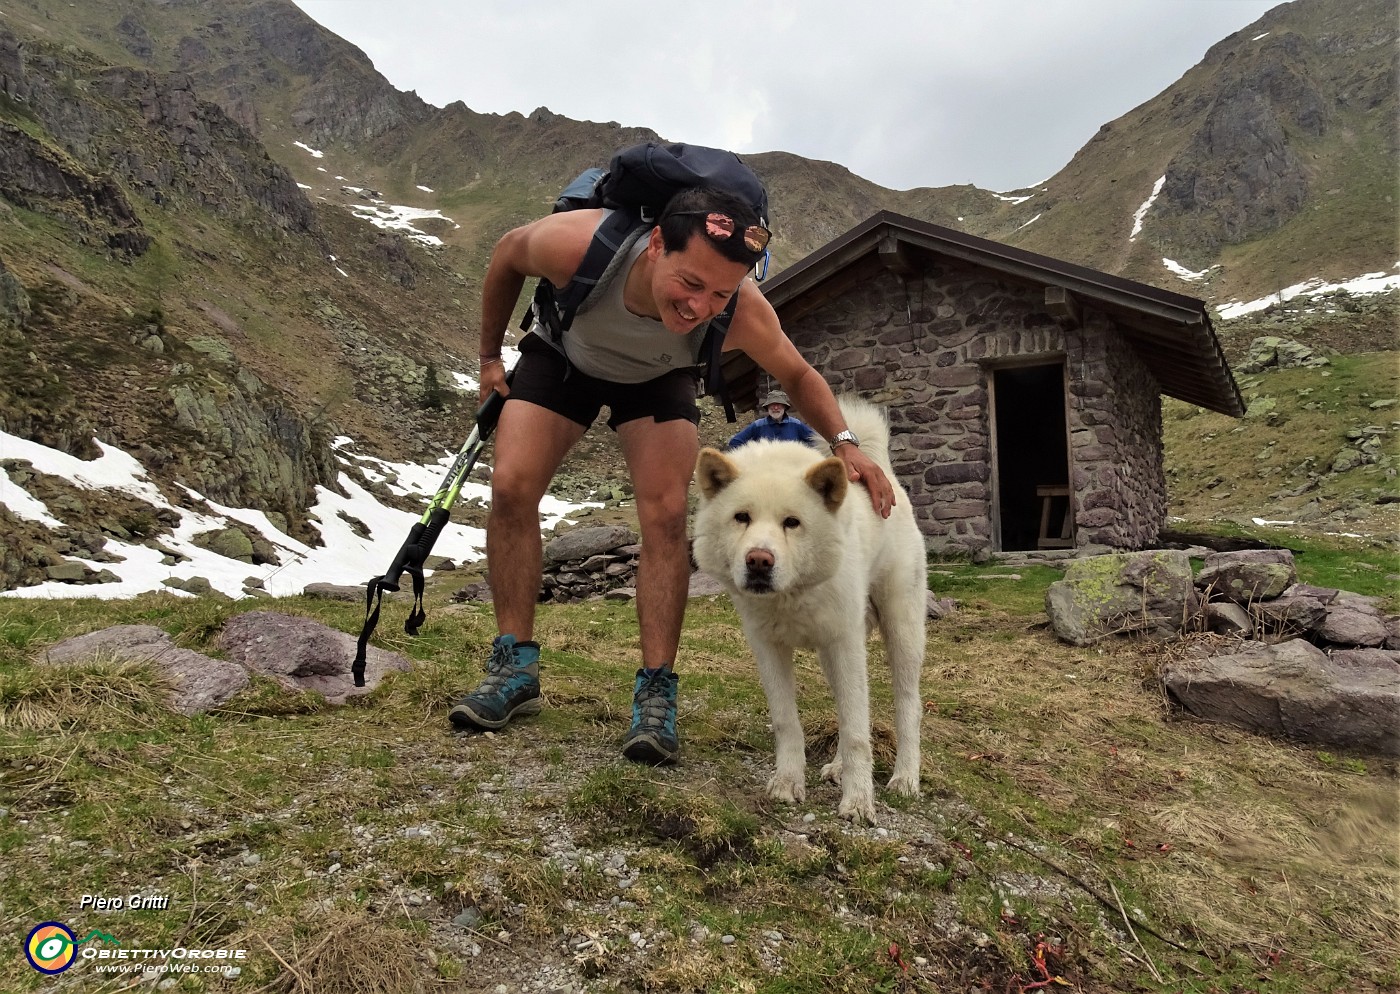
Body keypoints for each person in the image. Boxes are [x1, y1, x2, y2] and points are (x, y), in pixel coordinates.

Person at [449, 183, 897, 765]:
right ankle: (514, 666)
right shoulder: (579, 246)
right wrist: (489, 358)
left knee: (664, 515)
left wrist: (846, 443)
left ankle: (657, 691)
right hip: (564, 357)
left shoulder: (741, 308)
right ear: (657, 243)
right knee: (511, 487)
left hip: (659, 377)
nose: (699, 307)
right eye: (690, 283)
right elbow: (509, 252)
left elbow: (800, 375)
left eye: (719, 293)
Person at [726, 389, 818, 449]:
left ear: (785, 407)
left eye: (778, 404)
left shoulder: (796, 424)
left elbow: (816, 441)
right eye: (772, 405)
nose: (775, 408)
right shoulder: (758, 425)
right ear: (767, 407)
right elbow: (735, 442)